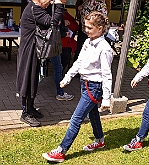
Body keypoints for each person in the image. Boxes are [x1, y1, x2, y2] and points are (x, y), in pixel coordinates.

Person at [42, 11, 113, 162]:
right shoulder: (87, 42)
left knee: (76, 119)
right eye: (85, 27)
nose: (86, 30)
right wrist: (67, 77)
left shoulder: (105, 48)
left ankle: (61, 150)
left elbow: (107, 74)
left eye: (89, 27)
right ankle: (100, 140)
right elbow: (79, 62)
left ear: (100, 29)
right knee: (93, 114)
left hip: (94, 87)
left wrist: (106, 98)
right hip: (85, 84)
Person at [16, 0, 65, 127]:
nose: (48, 5)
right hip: (28, 51)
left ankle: (30, 108)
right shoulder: (34, 9)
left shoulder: (34, 8)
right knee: (27, 79)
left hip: (33, 50)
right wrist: (59, 5)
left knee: (33, 79)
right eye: (47, 3)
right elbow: (52, 22)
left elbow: (50, 22)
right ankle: (25, 113)